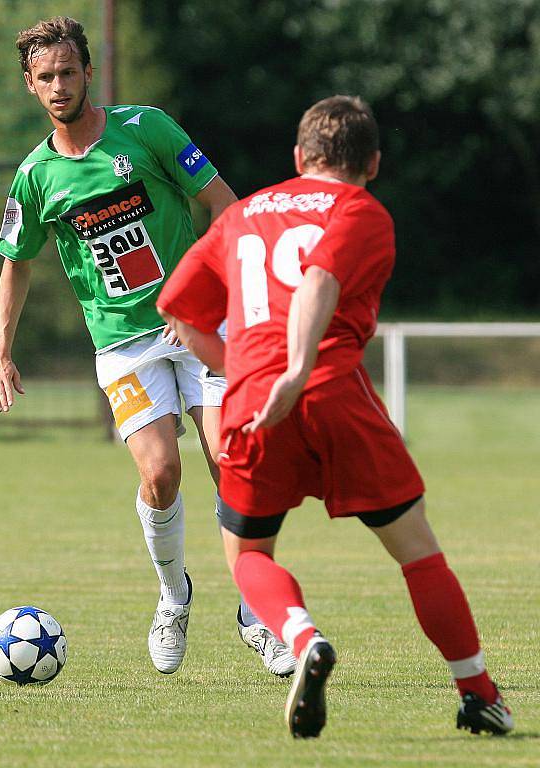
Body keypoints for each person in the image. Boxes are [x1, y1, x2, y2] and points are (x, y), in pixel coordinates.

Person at [157, 95, 514, 737]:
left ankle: (302, 638)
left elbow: (178, 310)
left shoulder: (243, 215)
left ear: (298, 157)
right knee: (416, 552)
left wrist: (248, 370)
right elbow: (320, 279)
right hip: (332, 394)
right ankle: (477, 692)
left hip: (253, 404)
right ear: (373, 163)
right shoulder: (363, 210)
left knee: (249, 556)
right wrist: (296, 371)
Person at [0, 16, 296, 678]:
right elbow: (16, 261)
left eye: (70, 72)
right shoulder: (36, 177)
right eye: (47, 77)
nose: (60, 85)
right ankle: (174, 596)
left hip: (201, 327)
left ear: (89, 74)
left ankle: (252, 611)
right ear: (30, 86)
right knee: (160, 474)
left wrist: (216, 296)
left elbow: (225, 206)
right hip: (124, 346)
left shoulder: (147, 128)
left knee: (230, 464)